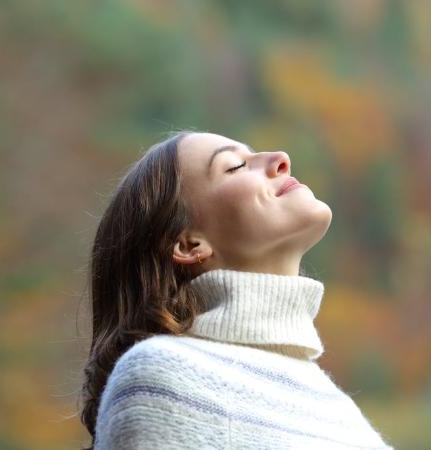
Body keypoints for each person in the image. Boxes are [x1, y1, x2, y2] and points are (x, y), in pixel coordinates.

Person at [79, 131, 393, 449]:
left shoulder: (341, 411)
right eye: (236, 166)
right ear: (188, 244)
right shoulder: (166, 378)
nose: (280, 159)